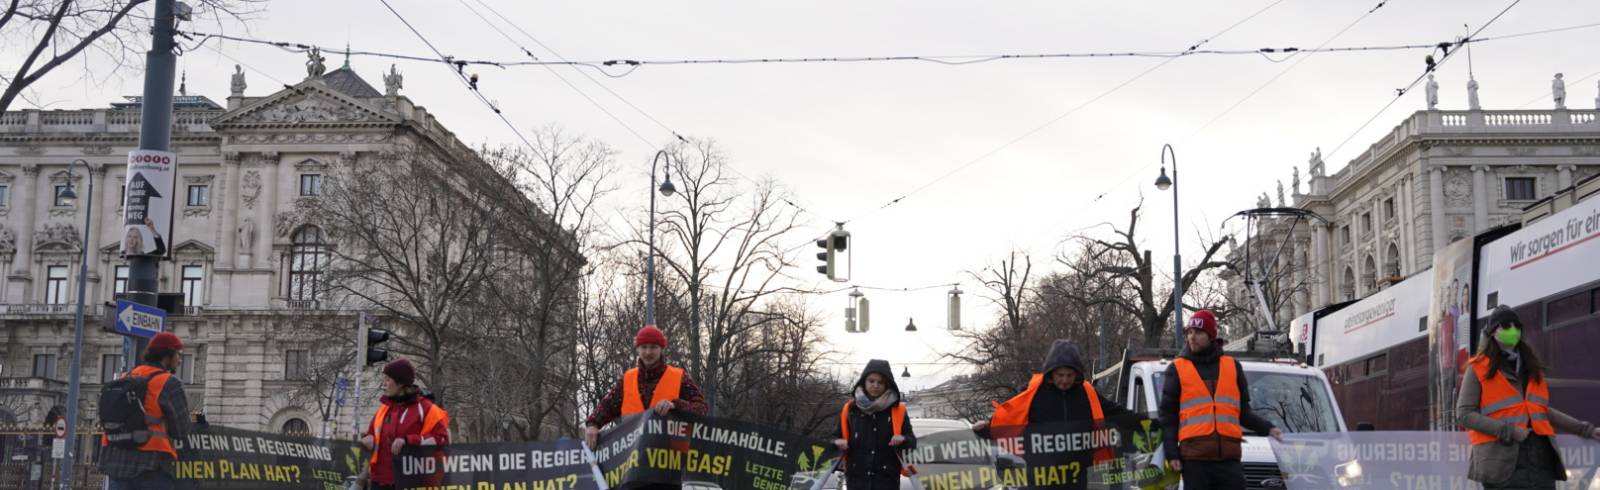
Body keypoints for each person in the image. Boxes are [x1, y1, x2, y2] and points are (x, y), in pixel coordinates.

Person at [1458, 306, 1600, 489]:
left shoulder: (1531, 367)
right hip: (1502, 465)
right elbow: (1465, 414)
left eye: (1517, 326)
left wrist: (1585, 430)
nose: (1513, 330)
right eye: (1506, 326)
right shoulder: (1477, 368)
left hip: (1540, 461)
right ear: (1493, 332)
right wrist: (1509, 431)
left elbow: (1541, 410)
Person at [1159, 310, 1282, 490]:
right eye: (1189, 332)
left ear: (1211, 336)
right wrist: (1172, 454)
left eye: (1198, 332)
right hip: (1195, 461)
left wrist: (1268, 428)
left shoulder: (1232, 366)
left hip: (1229, 460)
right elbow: (1168, 418)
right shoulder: (1176, 368)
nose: (1192, 337)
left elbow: (1243, 413)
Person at [973, 340, 1132, 465]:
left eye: (1069, 375)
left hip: (1075, 475)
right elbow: (1010, 421)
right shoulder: (1033, 393)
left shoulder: (1087, 393)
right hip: (1042, 477)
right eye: (1060, 375)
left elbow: (1116, 413)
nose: (1065, 380)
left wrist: (1147, 422)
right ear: (1051, 373)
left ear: (1076, 374)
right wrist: (985, 430)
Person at [585, 324, 709, 448]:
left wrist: (675, 405)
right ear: (637, 349)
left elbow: (701, 408)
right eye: (644, 347)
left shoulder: (679, 377)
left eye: (653, 347)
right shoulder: (627, 379)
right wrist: (593, 425)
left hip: (670, 459)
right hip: (632, 458)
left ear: (661, 349)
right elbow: (608, 406)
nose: (648, 352)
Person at [98, 332, 192, 490]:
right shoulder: (170, 383)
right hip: (151, 465)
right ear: (167, 355)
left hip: (115, 461)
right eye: (178, 354)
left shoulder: (125, 377)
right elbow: (182, 430)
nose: (180, 360)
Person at [361, 359, 450, 490]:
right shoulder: (384, 409)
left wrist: (408, 440)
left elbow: (441, 439)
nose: (383, 384)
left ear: (400, 383)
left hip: (411, 482)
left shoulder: (426, 408)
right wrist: (367, 438)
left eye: (387, 379)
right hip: (380, 481)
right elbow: (372, 435)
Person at [831, 359, 917, 490]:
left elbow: (912, 442)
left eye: (880, 382)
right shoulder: (850, 410)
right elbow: (832, 439)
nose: (875, 385)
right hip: (856, 482)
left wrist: (903, 439)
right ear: (864, 381)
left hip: (887, 482)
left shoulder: (898, 410)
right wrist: (837, 442)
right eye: (871, 381)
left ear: (887, 385)